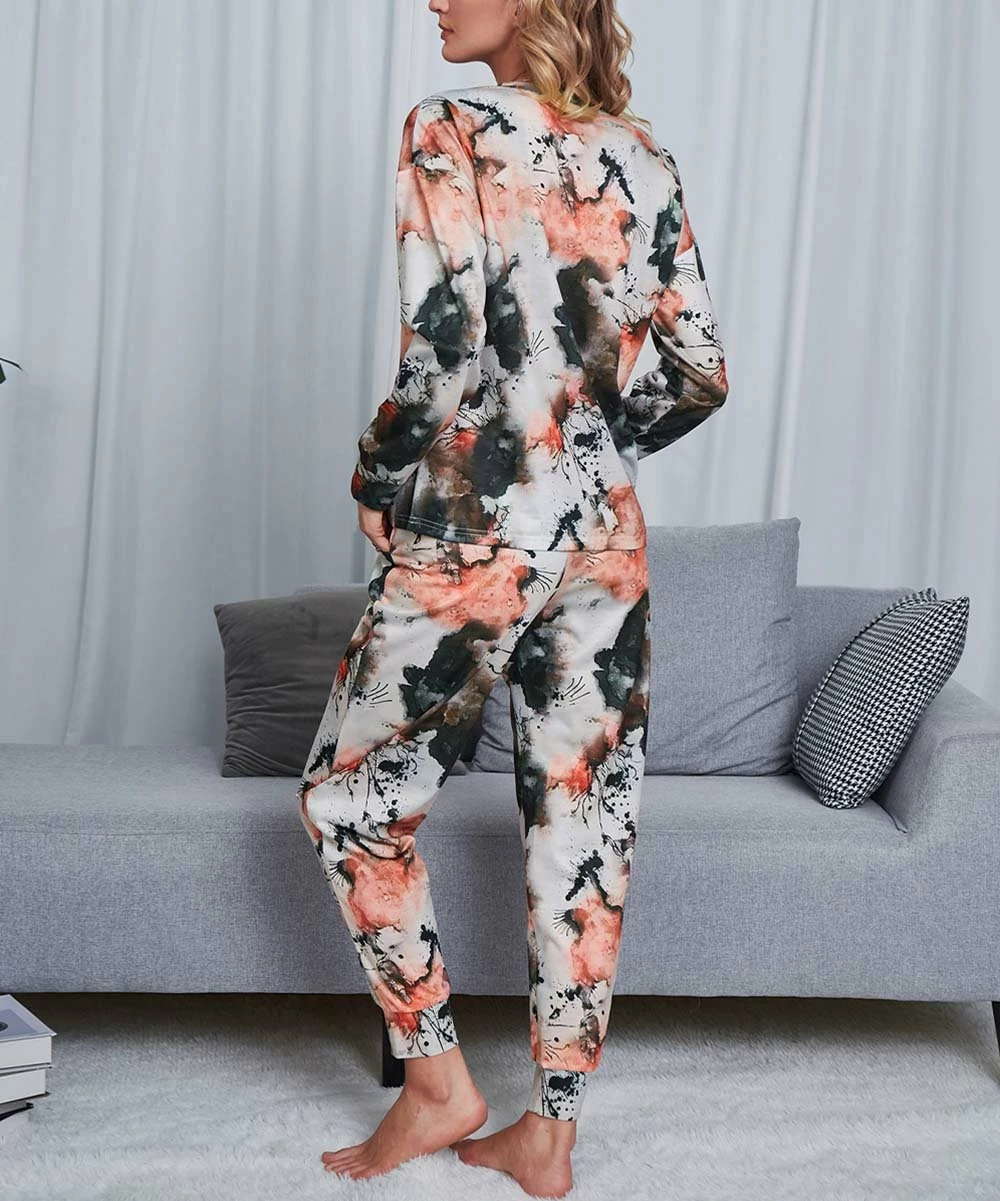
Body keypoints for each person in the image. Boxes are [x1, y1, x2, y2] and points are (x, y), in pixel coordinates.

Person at [296, 0, 729, 1194]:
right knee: (584, 821)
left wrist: (379, 476)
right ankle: (551, 1135)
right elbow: (700, 373)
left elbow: (443, 344)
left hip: (477, 522)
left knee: (349, 797)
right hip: (604, 535)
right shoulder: (644, 156)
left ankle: (438, 1083)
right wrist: (586, 442)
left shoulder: (451, 127)